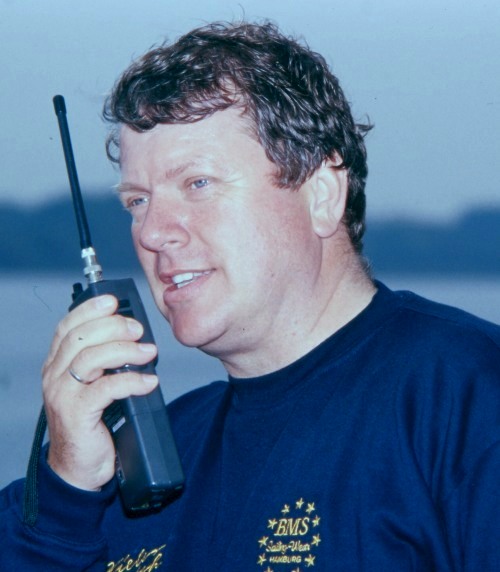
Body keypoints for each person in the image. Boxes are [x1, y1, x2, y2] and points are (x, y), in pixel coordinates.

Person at [1, 20, 499, 571]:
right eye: (137, 201)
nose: (152, 233)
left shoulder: (464, 396)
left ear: (322, 195)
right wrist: (64, 494)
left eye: (198, 184)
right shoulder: (140, 465)